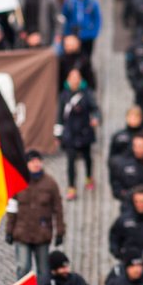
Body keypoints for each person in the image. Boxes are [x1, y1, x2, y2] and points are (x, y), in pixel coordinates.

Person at [5, 151, 64, 282]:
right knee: (23, 267)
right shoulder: (18, 181)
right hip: (22, 233)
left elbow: (58, 209)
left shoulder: (50, 183)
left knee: (44, 270)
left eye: (38, 161)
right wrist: (9, 231)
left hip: (42, 234)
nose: (36, 164)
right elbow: (12, 208)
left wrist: (60, 232)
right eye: (32, 162)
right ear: (27, 164)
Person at [56, 68, 100, 201]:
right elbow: (59, 116)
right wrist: (58, 135)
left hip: (84, 131)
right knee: (70, 161)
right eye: (72, 77)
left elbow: (95, 108)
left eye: (77, 77)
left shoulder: (87, 93)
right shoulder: (64, 95)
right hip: (70, 133)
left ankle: (89, 177)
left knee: (87, 157)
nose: (75, 80)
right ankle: (71, 186)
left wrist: (96, 118)